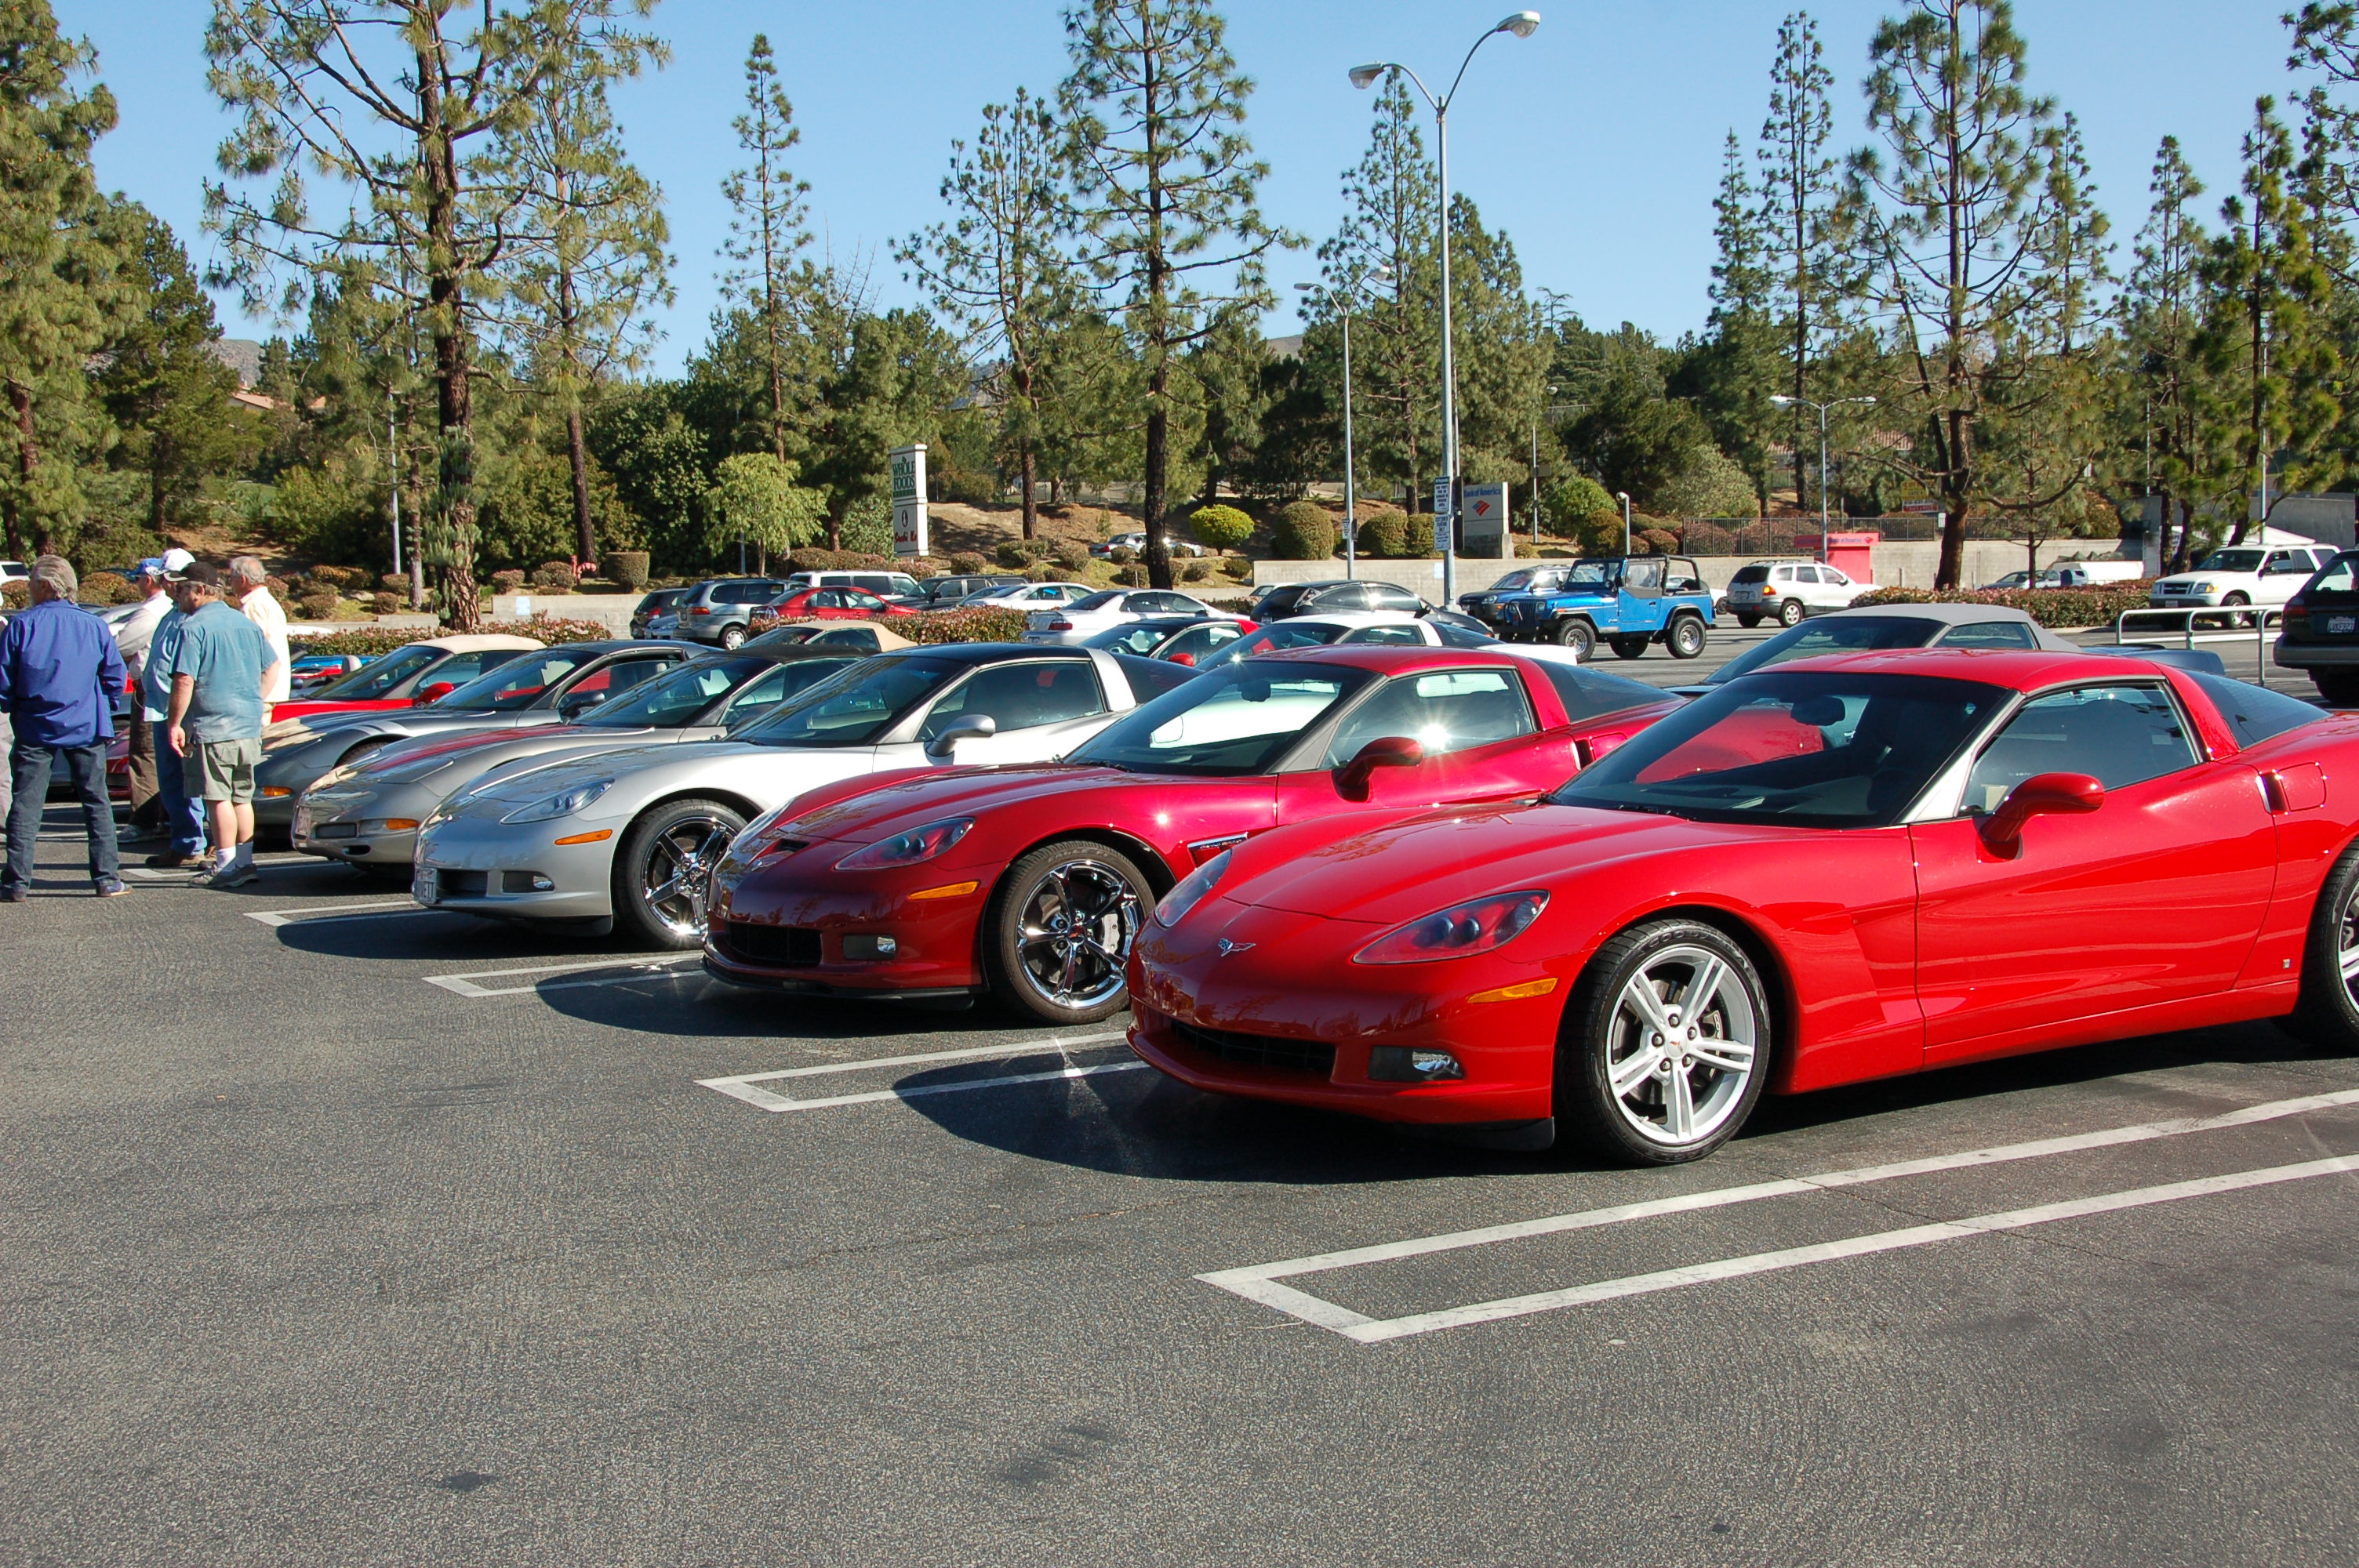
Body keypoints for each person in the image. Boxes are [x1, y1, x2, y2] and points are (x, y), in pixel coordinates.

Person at [0, 555, 129, 899]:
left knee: (26, 805)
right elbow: (115, 677)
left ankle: (16, 883)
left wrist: (12, 706)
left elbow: (4, 682)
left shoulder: (22, 626)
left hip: (34, 726)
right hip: (85, 725)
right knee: (96, 802)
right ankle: (106, 878)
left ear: (44, 586)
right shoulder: (94, 626)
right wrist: (103, 706)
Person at [162, 561, 281, 888]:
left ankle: (226, 864)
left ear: (200, 591)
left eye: (183, 588)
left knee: (217, 796)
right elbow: (273, 666)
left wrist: (174, 723)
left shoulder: (193, 627)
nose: (177, 594)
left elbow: (184, 680)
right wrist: (254, 699)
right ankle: (244, 862)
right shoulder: (242, 623)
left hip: (213, 724)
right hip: (246, 723)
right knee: (242, 796)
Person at [137, 553, 209, 870]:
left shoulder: (194, 619)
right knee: (170, 781)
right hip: (160, 708)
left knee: (193, 781)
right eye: (166, 577)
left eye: (174, 577)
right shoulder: (170, 614)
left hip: (182, 711)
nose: (168, 583)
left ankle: (197, 842)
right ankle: (183, 841)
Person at [114, 558, 175, 841]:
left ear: (148, 580)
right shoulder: (169, 609)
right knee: (164, 755)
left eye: (137, 579)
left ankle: (145, 821)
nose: (136, 585)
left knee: (145, 754)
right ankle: (166, 817)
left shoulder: (150, 613)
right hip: (168, 690)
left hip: (150, 691)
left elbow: (119, 645)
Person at [230, 556, 290, 710]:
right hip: (268, 688)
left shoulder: (253, 605)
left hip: (259, 691)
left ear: (242, 580)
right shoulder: (267, 601)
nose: (230, 583)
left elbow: (252, 650)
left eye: (232, 578)